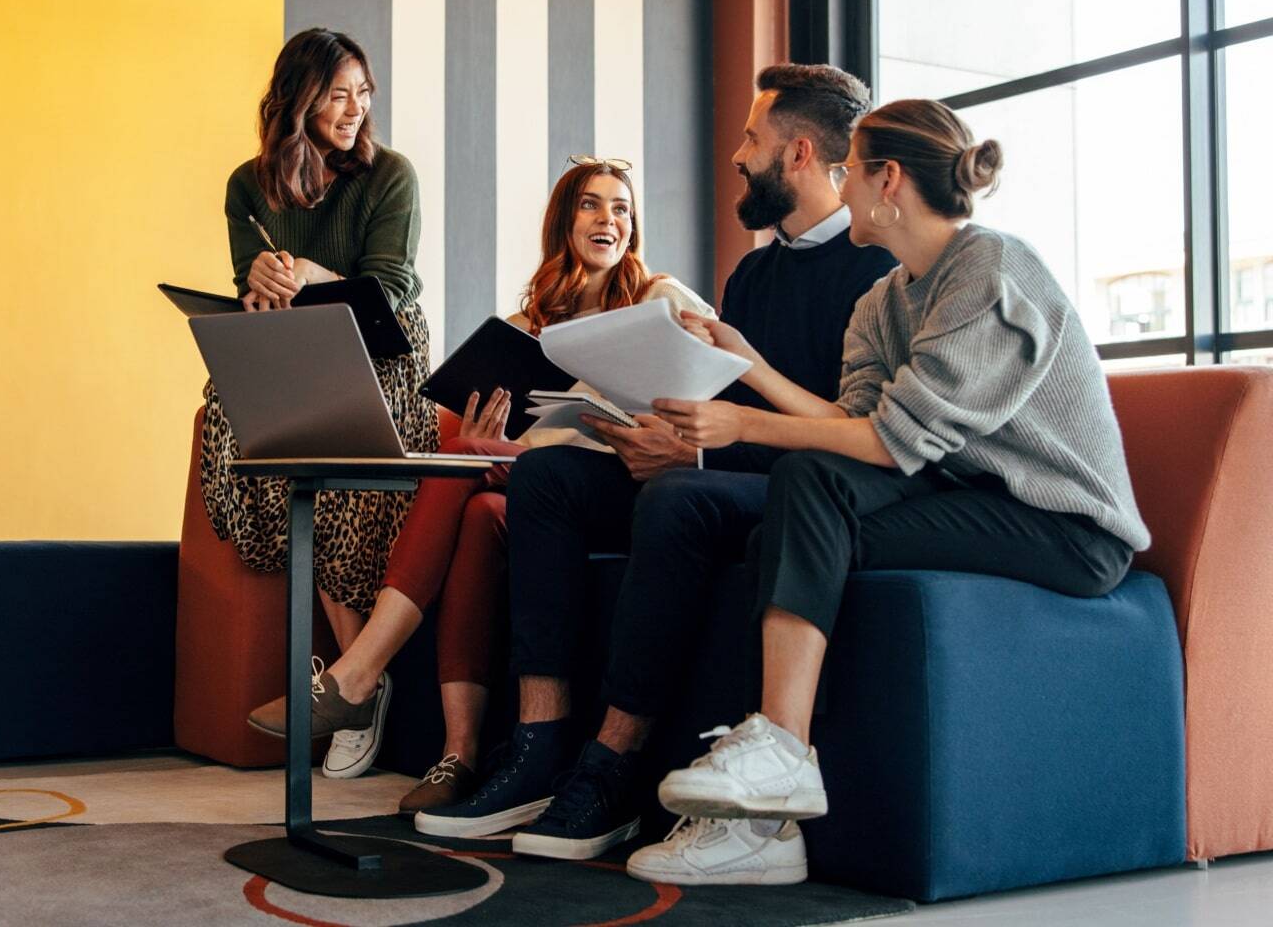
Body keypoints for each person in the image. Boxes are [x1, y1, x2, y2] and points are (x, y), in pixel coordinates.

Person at [622, 98, 1147, 886]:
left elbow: (886, 443)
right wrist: (748, 366)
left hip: (1064, 526)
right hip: (972, 499)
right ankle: (766, 827)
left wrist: (741, 424)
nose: (840, 184)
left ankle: (780, 759)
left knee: (804, 486)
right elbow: (853, 422)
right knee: (783, 528)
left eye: (849, 169)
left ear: (886, 179)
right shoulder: (885, 298)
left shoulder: (991, 271)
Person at [415, 64, 898, 855]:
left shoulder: (876, 272)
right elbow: (713, 396)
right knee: (547, 480)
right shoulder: (753, 273)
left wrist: (693, 460)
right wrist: (672, 441)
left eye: (752, 138)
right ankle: (539, 747)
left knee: (676, 499)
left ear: (801, 153)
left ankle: (613, 767)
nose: (738, 155)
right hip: (726, 471)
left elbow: (850, 435)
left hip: (808, 488)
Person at [247, 156, 713, 808]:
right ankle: (457, 755)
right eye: (591, 204)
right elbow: (515, 445)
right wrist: (486, 435)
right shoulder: (526, 329)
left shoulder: (659, 297)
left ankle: (358, 676)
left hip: (631, 487)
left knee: (472, 462)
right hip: (538, 495)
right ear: (564, 222)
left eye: (621, 208)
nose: (608, 218)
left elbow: (714, 379)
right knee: (470, 481)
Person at [200, 27, 434, 782]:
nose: (354, 108)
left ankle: (353, 684)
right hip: (295, 345)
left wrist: (309, 271)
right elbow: (249, 281)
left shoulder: (390, 175)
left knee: (334, 462)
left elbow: (390, 291)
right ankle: (358, 688)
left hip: (382, 350)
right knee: (235, 415)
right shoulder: (248, 184)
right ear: (298, 98)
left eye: (364, 93)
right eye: (338, 93)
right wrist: (261, 284)